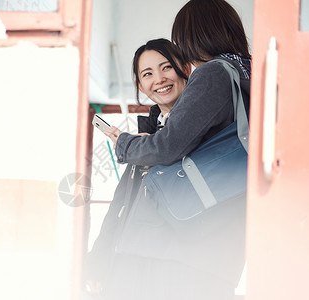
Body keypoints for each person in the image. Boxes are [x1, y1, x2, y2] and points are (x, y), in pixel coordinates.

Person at [103, 0, 251, 299]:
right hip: (222, 241)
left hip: (177, 244)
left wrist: (124, 143)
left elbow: (167, 146)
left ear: (193, 36)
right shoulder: (250, 73)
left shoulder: (214, 73)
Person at [83, 38, 189, 300]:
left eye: (166, 67)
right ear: (140, 86)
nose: (160, 79)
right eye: (148, 74)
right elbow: (121, 204)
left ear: (184, 67)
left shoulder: (198, 126)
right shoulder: (146, 135)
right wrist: (98, 260)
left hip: (173, 267)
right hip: (128, 263)